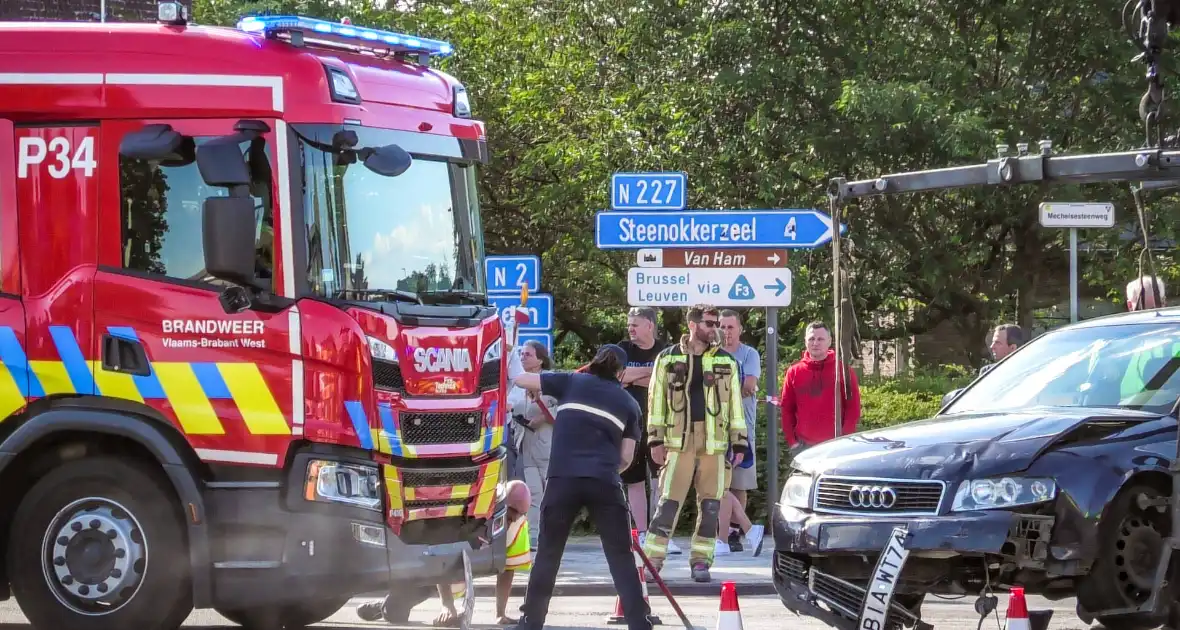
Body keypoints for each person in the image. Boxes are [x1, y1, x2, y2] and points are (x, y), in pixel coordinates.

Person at [510, 344, 653, 630]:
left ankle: (531, 621)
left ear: (593, 362)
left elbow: (520, 379)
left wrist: (530, 376)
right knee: (621, 555)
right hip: (604, 481)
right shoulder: (629, 404)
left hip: (563, 480)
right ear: (621, 373)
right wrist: (609, 471)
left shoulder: (571, 381)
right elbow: (626, 456)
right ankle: (639, 622)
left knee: (549, 553)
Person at [643, 304, 750, 583]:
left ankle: (701, 561)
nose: (716, 328)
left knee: (711, 505)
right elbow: (656, 403)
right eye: (710, 323)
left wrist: (739, 442)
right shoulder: (667, 359)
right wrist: (655, 439)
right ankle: (653, 560)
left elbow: (736, 406)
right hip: (678, 441)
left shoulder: (727, 361)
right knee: (668, 503)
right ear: (692, 325)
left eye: (716, 323)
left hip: (714, 443)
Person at [355, 480, 532, 626]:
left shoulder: (518, 526)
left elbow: (507, 571)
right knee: (394, 612)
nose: (514, 519)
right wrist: (447, 606)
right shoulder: (473, 507)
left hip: (459, 575)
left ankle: (387, 603)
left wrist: (500, 614)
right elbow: (442, 553)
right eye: (511, 513)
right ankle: (384, 605)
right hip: (434, 571)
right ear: (500, 504)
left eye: (519, 515)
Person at [617, 307, 681, 554]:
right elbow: (619, 375)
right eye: (629, 323)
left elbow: (671, 381)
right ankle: (642, 534)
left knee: (660, 480)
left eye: (636, 324)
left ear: (650, 325)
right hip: (630, 423)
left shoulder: (666, 351)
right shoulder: (622, 348)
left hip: (660, 424)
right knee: (633, 480)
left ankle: (660, 534)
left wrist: (633, 377)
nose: (630, 328)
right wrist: (652, 372)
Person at [717, 309, 762, 554]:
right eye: (722, 327)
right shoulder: (712, 354)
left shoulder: (749, 354)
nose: (726, 332)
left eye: (730, 327)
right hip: (717, 428)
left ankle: (734, 532)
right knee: (718, 484)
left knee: (738, 484)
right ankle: (732, 532)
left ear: (740, 329)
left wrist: (721, 386)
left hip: (743, 427)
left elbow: (749, 386)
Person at [779, 321, 861, 456]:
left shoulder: (842, 370)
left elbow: (853, 408)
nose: (815, 343)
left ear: (829, 341)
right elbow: (787, 409)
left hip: (835, 445)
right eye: (811, 339)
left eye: (820, 339)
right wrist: (792, 442)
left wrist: (844, 439)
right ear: (805, 341)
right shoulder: (794, 372)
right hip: (804, 446)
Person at [511, 340, 556, 549]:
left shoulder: (551, 382)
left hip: (548, 447)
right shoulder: (517, 384)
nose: (522, 357)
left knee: (552, 494)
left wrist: (543, 417)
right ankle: (534, 536)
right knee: (534, 493)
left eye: (527, 354)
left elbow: (560, 411)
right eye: (520, 353)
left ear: (539, 359)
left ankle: (553, 535)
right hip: (525, 446)